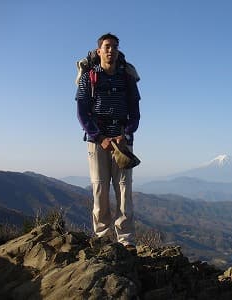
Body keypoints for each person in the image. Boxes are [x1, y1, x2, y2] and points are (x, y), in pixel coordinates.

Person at [76, 33, 140, 253]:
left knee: (124, 189)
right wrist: (99, 137)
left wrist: (127, 134)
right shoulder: (89, 77)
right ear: (99, 51)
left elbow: (135, 111)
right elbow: (82, 113)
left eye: (114, 46)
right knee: (100, 188)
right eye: (107, 46)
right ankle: (103, 235)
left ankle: (126, 239)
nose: (111, 50)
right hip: (97, 142)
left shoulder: (126, 78)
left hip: (122, 140)